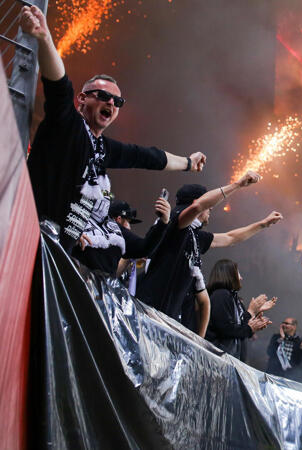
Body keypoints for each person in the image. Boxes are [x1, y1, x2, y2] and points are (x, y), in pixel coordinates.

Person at [20, 6, 206, 254]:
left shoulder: (103, 148)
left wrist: (187, 163)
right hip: (24, 235)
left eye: (117, 102)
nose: (111, 103)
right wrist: (44, 38)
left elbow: (146, 156)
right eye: (104, 96)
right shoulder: (68, 126)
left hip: (52, 253)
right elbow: (59, 87)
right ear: (82, 99)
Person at [136, 172, 282, 328]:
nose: (211, 209)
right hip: (148, 312)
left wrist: (263, 224)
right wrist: (238, 184)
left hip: (166, 318)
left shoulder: (194, 235)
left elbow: (230, 238)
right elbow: (198, 206)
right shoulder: (175, 223)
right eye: (209, 205)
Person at [71, 196, 169, 277]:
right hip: (72, 279)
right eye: (128, 222)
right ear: (118, 218)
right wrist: (73, 236)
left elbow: (144, 248)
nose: (129, 227)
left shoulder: (117, 231)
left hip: (97, 291)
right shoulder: (76, 219)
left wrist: (163, 222)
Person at [205, 259, 274, 361]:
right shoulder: (221, 295)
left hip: (231, 358)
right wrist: (250, 316)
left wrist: (254, 323)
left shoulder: (234, 298)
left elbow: (241, 328)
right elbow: (225, 329)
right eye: (238, 273)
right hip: (218, 358)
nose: (241, 278)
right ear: (229, 275)